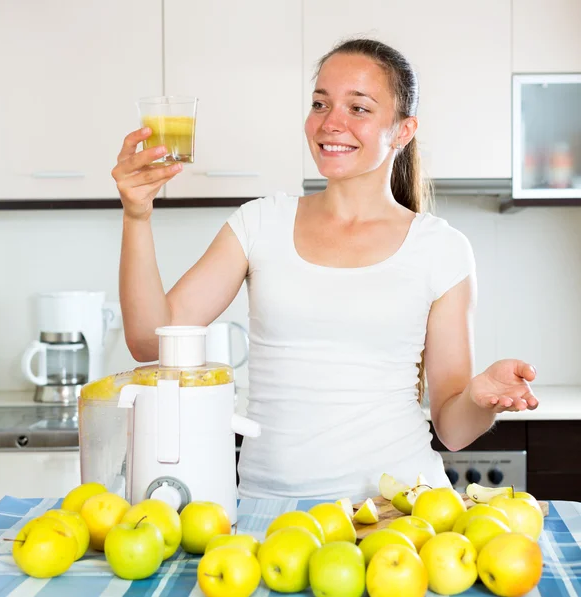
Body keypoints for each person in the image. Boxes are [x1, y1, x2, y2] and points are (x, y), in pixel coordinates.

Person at [112, 38, 539, 501]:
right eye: (320, 103)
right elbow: (147, 340)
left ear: (402, 129)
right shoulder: (259, 223)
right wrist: (137, 215)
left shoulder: (441, 249)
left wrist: (480, 397)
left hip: (398, 511)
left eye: (358, 108)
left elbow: (454, 430)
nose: (330, 122)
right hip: (271, 511)